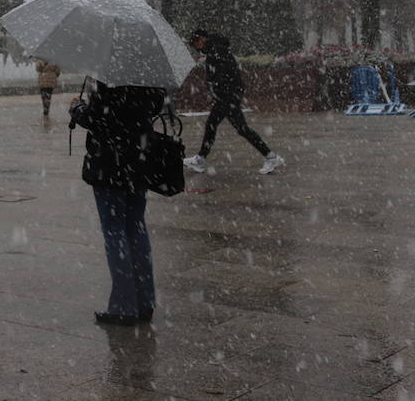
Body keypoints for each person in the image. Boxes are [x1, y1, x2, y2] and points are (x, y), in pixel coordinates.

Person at [68, 80, 164, 326]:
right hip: (140, 160)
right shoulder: (148, 78)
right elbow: (154, 107)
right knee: (136, 227)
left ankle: (124, 306)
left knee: (114, 230)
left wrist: (77, 108)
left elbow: (96, 119)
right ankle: (145, 302)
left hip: (110, 163)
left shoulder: (109, 80)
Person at [183, 29, 284, 174]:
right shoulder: (216, 49)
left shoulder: (216, 51)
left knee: (225, 127)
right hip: (227, 97)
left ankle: (271, 156)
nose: (197, 46)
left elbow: (224, 75)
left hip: (227, 97)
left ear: (203, 39)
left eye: (197, 42)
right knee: (233, 128)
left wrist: (220, 93)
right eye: (194, 44)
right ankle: (270, 156)